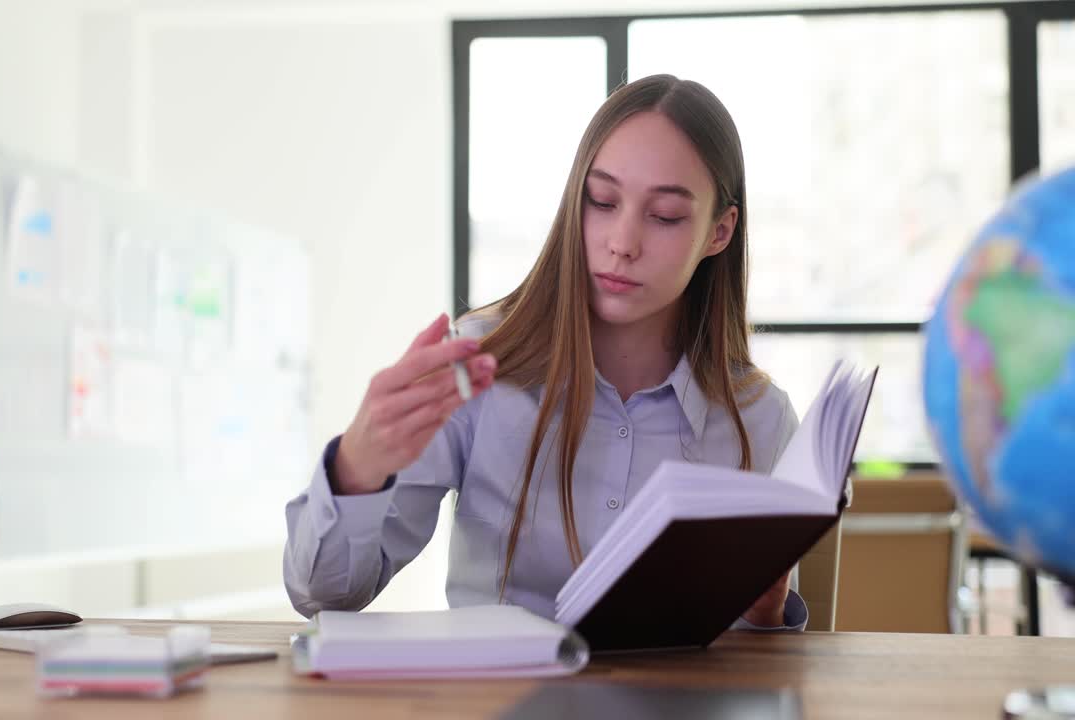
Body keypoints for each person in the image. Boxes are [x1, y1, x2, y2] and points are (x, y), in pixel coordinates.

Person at [284, 73, 806, 631]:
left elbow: (761, 657)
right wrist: (356, 470)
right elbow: (324, 598)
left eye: (665, 216)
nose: (622, 243)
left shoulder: (762, 420)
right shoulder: (480, 366)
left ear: (718, 233)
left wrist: (766, 614)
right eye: (602, 201)